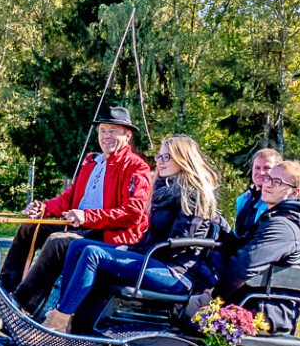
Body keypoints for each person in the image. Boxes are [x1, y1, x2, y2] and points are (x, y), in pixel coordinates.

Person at [43, 135, 220, 333]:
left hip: (174, 273)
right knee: (78, 246)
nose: (159, 162)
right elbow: (154, 236)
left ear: (183, 159)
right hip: (155, 259)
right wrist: (133, 249)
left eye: (166, 157)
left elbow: (178, 245)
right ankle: (66, 315)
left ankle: (58, 323)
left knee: (94, 254)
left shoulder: (193, 195)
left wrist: (136, 253)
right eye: (158, 156)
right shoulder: (165, 190)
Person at [0, 106, 152, 315]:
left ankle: (22, 302)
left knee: (58, 241)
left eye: (113, 131)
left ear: (127, 135)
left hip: (110, 235)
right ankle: (3, 289)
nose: (106, 136)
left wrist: (88, 216)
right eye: (102, 131)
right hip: (80, 225)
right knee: (30, 227)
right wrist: (43, 208)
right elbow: (69, 198)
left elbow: (133, 213)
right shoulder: (92, 161)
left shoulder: (136, 167)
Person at [213, 160, 300, 334]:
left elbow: (243, 266)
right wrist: (220, 225)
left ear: (294, 193)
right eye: (269, 178)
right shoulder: (274, 218)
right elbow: (244, 247)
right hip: (255, 302)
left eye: (277, 182)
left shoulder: (283, 227)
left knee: (183, 309)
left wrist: (214, 297)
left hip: (266, 310)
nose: (267, 184)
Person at [234, 148, 283, 239]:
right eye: (257, 168)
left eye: (267, 168)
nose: (261, 172)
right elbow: (237, 237)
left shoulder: (278, 201)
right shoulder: (244, 199)